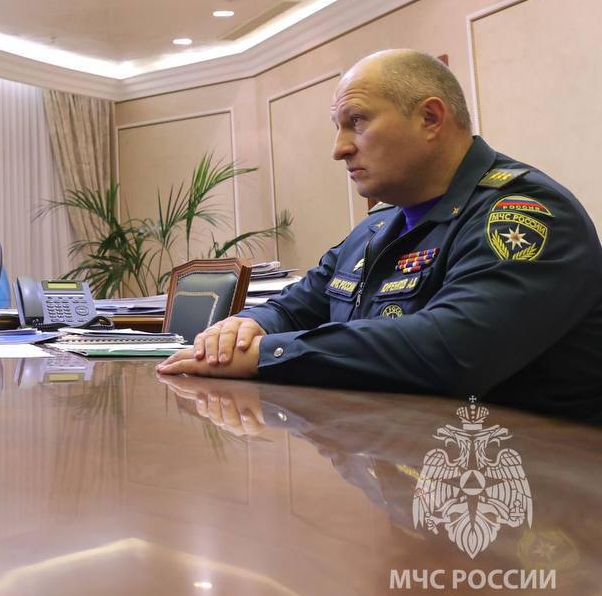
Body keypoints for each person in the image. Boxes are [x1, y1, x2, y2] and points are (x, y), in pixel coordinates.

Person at [157, 49, 602, 423]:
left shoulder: (523, 215)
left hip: (526, 474)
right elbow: (295, 306)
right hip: (398, 450)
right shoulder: (377, 225)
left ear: (430, 118)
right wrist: (247, 327)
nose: (339, 149)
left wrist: (265, 354)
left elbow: (451, 351)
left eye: (357, 121)